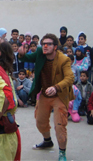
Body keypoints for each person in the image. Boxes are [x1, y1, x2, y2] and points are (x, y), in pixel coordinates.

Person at [18, 33, 74, 161]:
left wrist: (56, 87)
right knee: (40, 121)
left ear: (55, 47)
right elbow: (25, 58)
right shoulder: (39, 53)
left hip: (59, 95)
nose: (45, 46)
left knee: (60, 125)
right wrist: (21, 54)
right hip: (44, 94)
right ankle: (47, 141)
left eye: (48, 44)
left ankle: (62, 153)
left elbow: (70, 78)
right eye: (43, 44)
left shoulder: (63, 60)